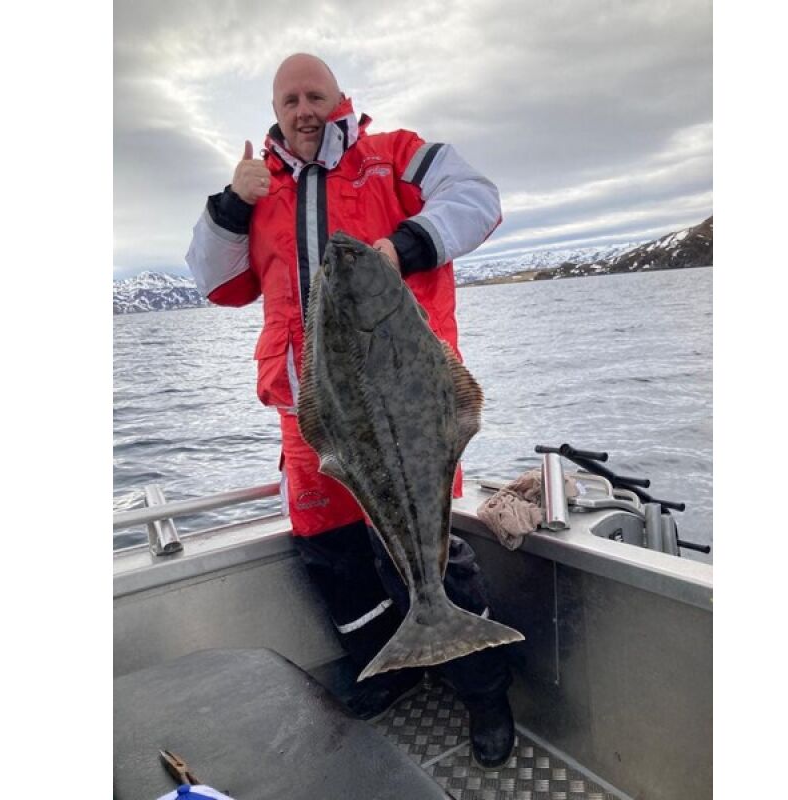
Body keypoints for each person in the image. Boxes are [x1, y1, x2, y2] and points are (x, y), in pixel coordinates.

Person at [185, 53, 515, 769]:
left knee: (428, 556)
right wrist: (231, 204)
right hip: (313, 417)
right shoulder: (259, 190)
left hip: (407, 409)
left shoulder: (395, 156)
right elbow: (212, 281)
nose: (304, 110)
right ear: (276, 113)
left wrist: (406, 245)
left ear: (339, 98)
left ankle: (484, 690)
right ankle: (390, 668)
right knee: (331, 554)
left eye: (316, 95)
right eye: (290, 100)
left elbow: (478, 198)